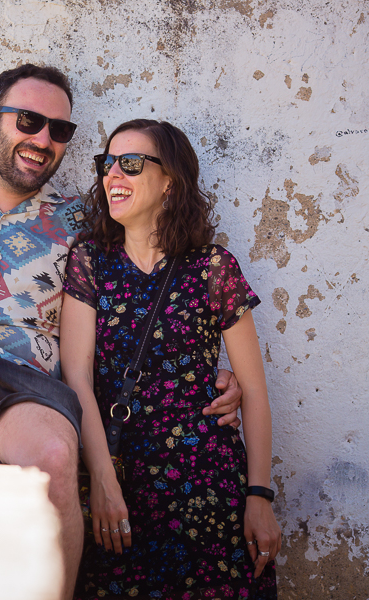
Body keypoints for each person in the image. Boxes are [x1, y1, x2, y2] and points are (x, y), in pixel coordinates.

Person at [0, 66, 243, 600]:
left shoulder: (81, 220)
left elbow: (140, 292)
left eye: (59, 131)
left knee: (56, 459)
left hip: (19, 386)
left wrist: (208, 372)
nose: (43, 140)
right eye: (29, 122)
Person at [60, 119, 281, 599]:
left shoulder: (213, 267)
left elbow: (256, 392)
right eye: (108, 163)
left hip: (207, 486)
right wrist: (100, 480)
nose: (113, 174)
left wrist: (259, 497)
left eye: (132, 163)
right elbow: (76, 375)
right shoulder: (90, 260)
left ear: (170, 182)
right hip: (119, 484)